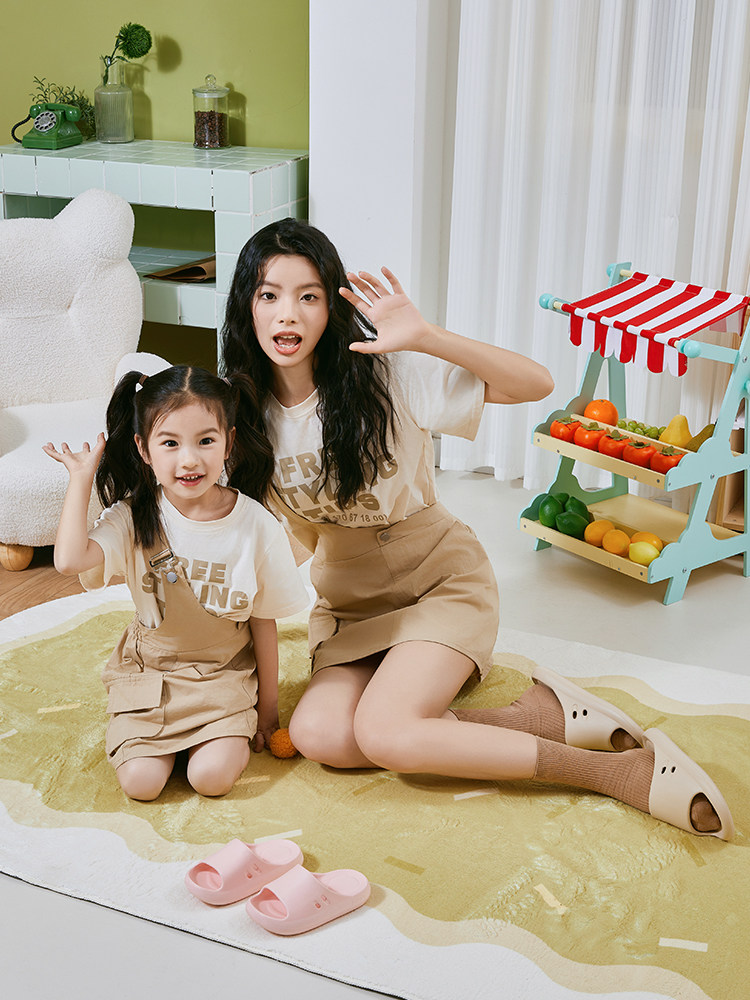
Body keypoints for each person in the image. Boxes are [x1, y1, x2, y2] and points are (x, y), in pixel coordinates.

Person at [219, 218, 733, 841]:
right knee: (321, 736)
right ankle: (540, 715)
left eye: (309, 296)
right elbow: (281, 540)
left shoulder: (385, 375)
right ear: (246, 305)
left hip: (438, 583)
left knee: (386, 733)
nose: (288, 314)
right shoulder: (243, 415)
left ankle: (616, 773)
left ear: (333, 306)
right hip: (351, 606)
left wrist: (427, 336)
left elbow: (536, 383)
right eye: (269, 294)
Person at [43, 365, 308, 801]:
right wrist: (81, 478)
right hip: (152, 675)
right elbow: (69, 561)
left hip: (222, 676)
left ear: (229, 443)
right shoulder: (133, 516)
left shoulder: (257, 526)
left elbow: (263, 623)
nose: (189, 460)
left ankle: (211, 738)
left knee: (212, 778)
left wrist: (268, 712)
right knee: (141, 784)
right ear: (143, 449)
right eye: (170, 443)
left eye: (206, 441)